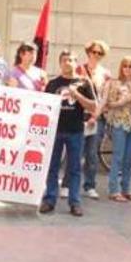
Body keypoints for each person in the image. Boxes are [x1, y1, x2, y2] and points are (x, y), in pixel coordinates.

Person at [40, 50, 96, 217]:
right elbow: (43, 106)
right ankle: (49, 199)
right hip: (55, 130)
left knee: (74, 168)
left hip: (75, 131)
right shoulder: (53, 84)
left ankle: (75, 202)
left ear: (75, 63)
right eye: (64, 60)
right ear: (60, 63)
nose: (67, 63)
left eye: (71, 60)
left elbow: (93, 106)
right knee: (53, 167)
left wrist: (76, 94)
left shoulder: (84, 83)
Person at [66, 39, 112, 200]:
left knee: (92, 153)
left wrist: (95, 116)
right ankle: (67, 184)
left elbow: (104, 98)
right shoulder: (78, 69)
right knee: (74, 152)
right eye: (94, 52)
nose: (96, 55)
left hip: (96, 117)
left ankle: (90, 185)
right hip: (78, 115)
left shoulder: (106, 74)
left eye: (100, 53)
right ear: (88, 52)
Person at [103, 56, 131, 202]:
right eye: (125, 66)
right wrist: (124, 101)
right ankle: (114, 189)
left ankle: (126, 189)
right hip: (119, 122)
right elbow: (109, 103)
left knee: (129, 159)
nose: (128, 69)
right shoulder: (115, 84)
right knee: (118, 156)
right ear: (121, 68)